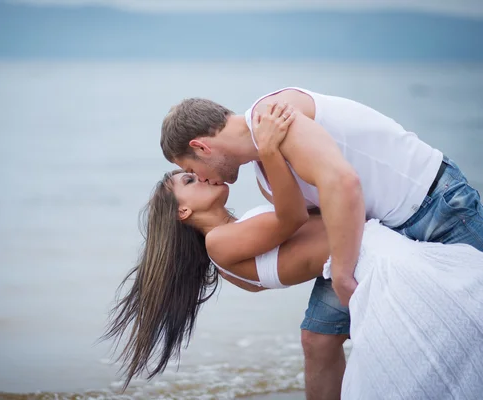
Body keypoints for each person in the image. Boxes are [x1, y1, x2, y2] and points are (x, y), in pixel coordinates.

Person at [104, 105, 483, 399]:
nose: (201, 176)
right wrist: (268, 149)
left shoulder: (236, 233)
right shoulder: (219, 244)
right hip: (371, 259)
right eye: (189, 179)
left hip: (367, 250)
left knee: (317, 339)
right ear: (183, 212)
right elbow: (292, 217)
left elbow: (306, 223)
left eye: (192, 171)